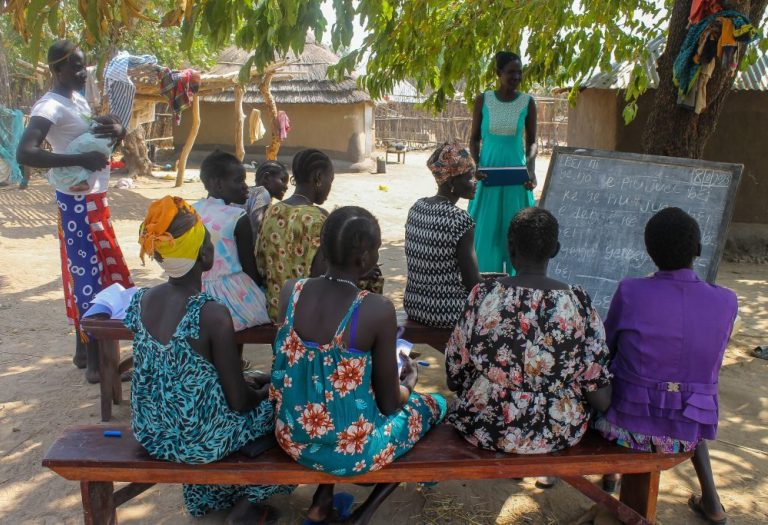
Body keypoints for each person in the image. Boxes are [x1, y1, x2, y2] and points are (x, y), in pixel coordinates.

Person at [271, 206, 446, 525]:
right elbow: (390, 404)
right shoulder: (375, 309)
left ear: (322, 249)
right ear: (365, 259)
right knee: (434, 406)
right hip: (355, 453)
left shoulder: (291, 292)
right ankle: (363, 516)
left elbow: (306, 371)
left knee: (333, 404)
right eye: (377, 251)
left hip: (292, 439)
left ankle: (322, 499)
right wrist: (408, 382)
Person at [126, 196, 293, 522]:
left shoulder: (142, 301)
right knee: (286, 415)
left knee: (220, 413)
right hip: (199, 441)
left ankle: (213, 499)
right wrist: (266, 393)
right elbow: (239, 402)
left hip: (153, 432)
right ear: (206, 256)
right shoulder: (211, 314)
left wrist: (247, 383)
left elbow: (181, 375)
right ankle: (248, 506)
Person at [594, 207, 738, 524]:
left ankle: (610, 477)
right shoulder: (726, 301)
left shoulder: (631, 290)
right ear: (698, 250)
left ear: (649, 251)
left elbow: (606, 347)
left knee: (612, 369)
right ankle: (712, 502)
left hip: (624, 428)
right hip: (687, 432)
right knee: (684, 386)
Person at [445, 207, 612, 458]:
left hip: (483, 425)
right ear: (555, 249)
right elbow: (596, 385)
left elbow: (454, 373)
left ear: (510, 248)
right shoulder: (578, 301)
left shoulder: (483, 294)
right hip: (558, 431)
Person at [16, 40, 132, 383]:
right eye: (77, 68)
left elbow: (90, 140)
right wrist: (79, 159)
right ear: (57, 70)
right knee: (88, 278)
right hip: (77, 204)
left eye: (84, 66)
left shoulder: (76, 100)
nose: (83, 73)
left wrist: (118, 132)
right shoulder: (49, 105)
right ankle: (98, 365)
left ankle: (84, 353)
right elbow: (26, 152)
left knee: (86, 275)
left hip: (92, 200)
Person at [468, 51, 537, 274]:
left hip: (516, 178)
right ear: (499, 73)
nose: (516, 76)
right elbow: (474, 138)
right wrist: (477, 165)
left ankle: (517, 285)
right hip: (488, 176)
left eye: (519, 72)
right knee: (486, 231)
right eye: (511, 72)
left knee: (516, 230)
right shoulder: (483, 100)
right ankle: (486, 282)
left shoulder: (528, 102)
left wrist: (531, 169)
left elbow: (533, 142)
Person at [404, 142, 481, 328]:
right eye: (470, 177)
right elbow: (472, 284)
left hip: (414, 305)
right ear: (452, 181)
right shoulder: (460, 220)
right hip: (446, 312)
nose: (476, 182)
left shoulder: (417, 207)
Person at [192, 150, 270, 331]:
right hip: (231, 296)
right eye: (239, 180)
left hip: (194, 291)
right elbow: (249, 268)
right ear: (218, 184)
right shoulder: (238, 217)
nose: (245, 187)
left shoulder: (191, 210)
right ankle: (238, 359)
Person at [257, 148, 335, 321]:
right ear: (319, 178)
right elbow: (323, 276)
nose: (330, 186)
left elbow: (261, 264)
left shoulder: (272, 211)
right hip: (306, 316)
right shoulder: (318, 219)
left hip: (277, 311)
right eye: (331, 180)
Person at [47, 114, 123, 193]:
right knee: (85, 165)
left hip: (94, 192)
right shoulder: (110, 136)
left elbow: (91, 125)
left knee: (76, 162)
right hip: (105, 150)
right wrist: (120, 133)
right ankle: (82, 182)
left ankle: (81, 182)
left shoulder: (95, 124)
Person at [242, 160, 289, 253]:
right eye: (283, 180)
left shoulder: (249, 192)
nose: (286, 187)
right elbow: (256, 227)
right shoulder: (263, 193)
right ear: (266, 177)